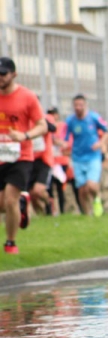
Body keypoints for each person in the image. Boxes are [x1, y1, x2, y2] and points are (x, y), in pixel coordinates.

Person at [0, 56, 48, 254]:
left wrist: (24, 135)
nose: (0, 78)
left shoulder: (27, 97)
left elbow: (43, 125)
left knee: (10, 199)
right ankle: (21, 205)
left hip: (21, 156)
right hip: (1, 155)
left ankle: (11, 243)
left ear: (14, 74)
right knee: (4, 205)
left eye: (3, 74)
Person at [65, 94, 108, 217]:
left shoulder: (94, 117)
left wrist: (101, 143)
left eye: (81, 105)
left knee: (91, 185)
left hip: (93, 157)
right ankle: (87, 214)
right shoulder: (70, 121)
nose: (78, 107)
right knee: (82, 189)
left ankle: (97, 199)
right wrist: (62, 143)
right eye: (76, 105)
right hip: (78, 158)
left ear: (85, 105)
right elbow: (65, 138)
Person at [28, 105, 56, 215]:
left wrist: (41, 123)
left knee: (38, 190)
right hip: (29, 159)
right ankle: (42, 216)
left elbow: (53, 128)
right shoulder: (24, 119)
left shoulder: (46, 117)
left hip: (44, 160)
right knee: (32, 194)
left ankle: (49, 204)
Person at [47, 107, 71, 214]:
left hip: (62, 161)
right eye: (50, 114)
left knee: (60, 188)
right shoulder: (46, 126)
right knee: (49, 188)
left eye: (54, 114)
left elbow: (68, 143)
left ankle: (62, 211)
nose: (52, 116)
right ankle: (50, 211)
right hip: (50, 161)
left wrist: (59, 143)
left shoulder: (63, 127)